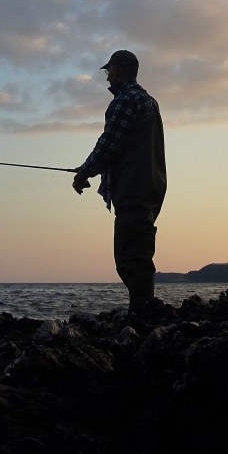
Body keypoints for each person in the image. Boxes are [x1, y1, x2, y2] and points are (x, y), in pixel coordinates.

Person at [73, 49, 167, 311]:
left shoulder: (126, 101)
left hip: (134, 188)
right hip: (152, 186)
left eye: (108, 71)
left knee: (131, 257)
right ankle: (144, 311)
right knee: (137, 250)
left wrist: (84, 172)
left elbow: (109, 144)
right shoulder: (150, 101)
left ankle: (142, 314)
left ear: (120, 70)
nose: (106, 77)